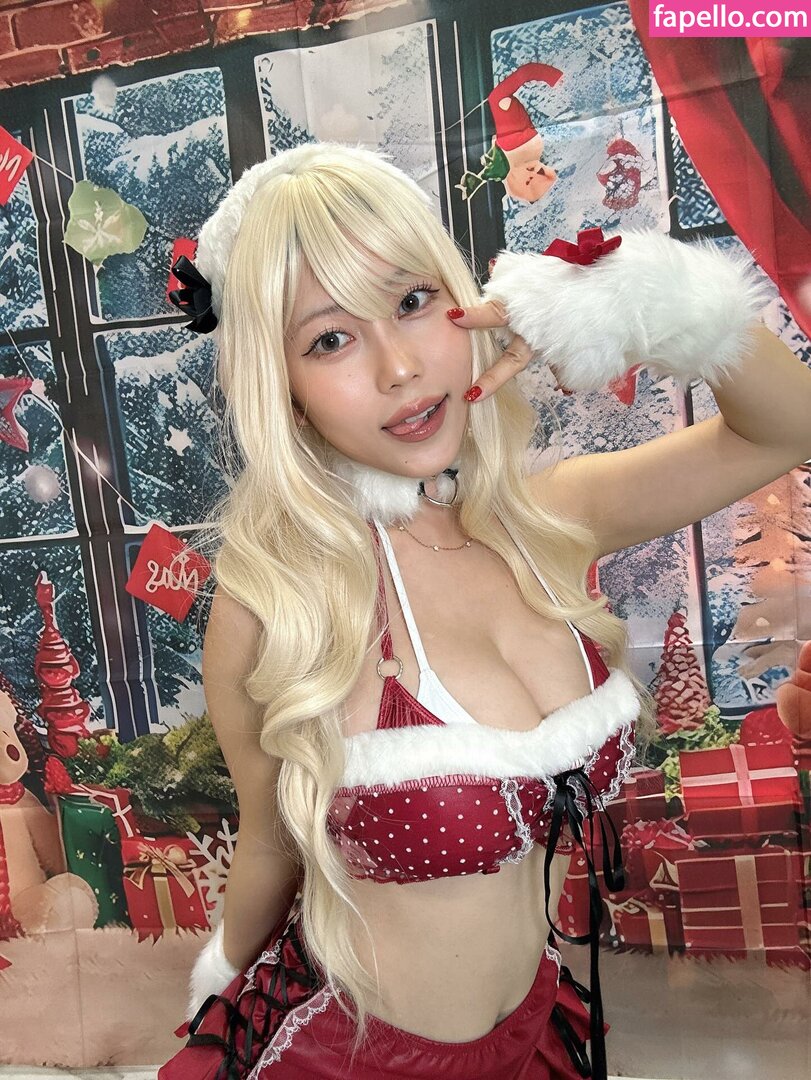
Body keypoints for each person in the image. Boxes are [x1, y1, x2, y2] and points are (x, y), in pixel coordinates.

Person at [159, 142, 811, 1079]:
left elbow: (787, 424)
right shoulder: (281, 601)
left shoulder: (555, 519)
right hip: (345, 1057)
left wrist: (657, 303)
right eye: (329, 340)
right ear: (284, 389)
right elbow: (268, 842)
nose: (398, 367)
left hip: (536, 1036)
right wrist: (217, 992)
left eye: (412, 301)